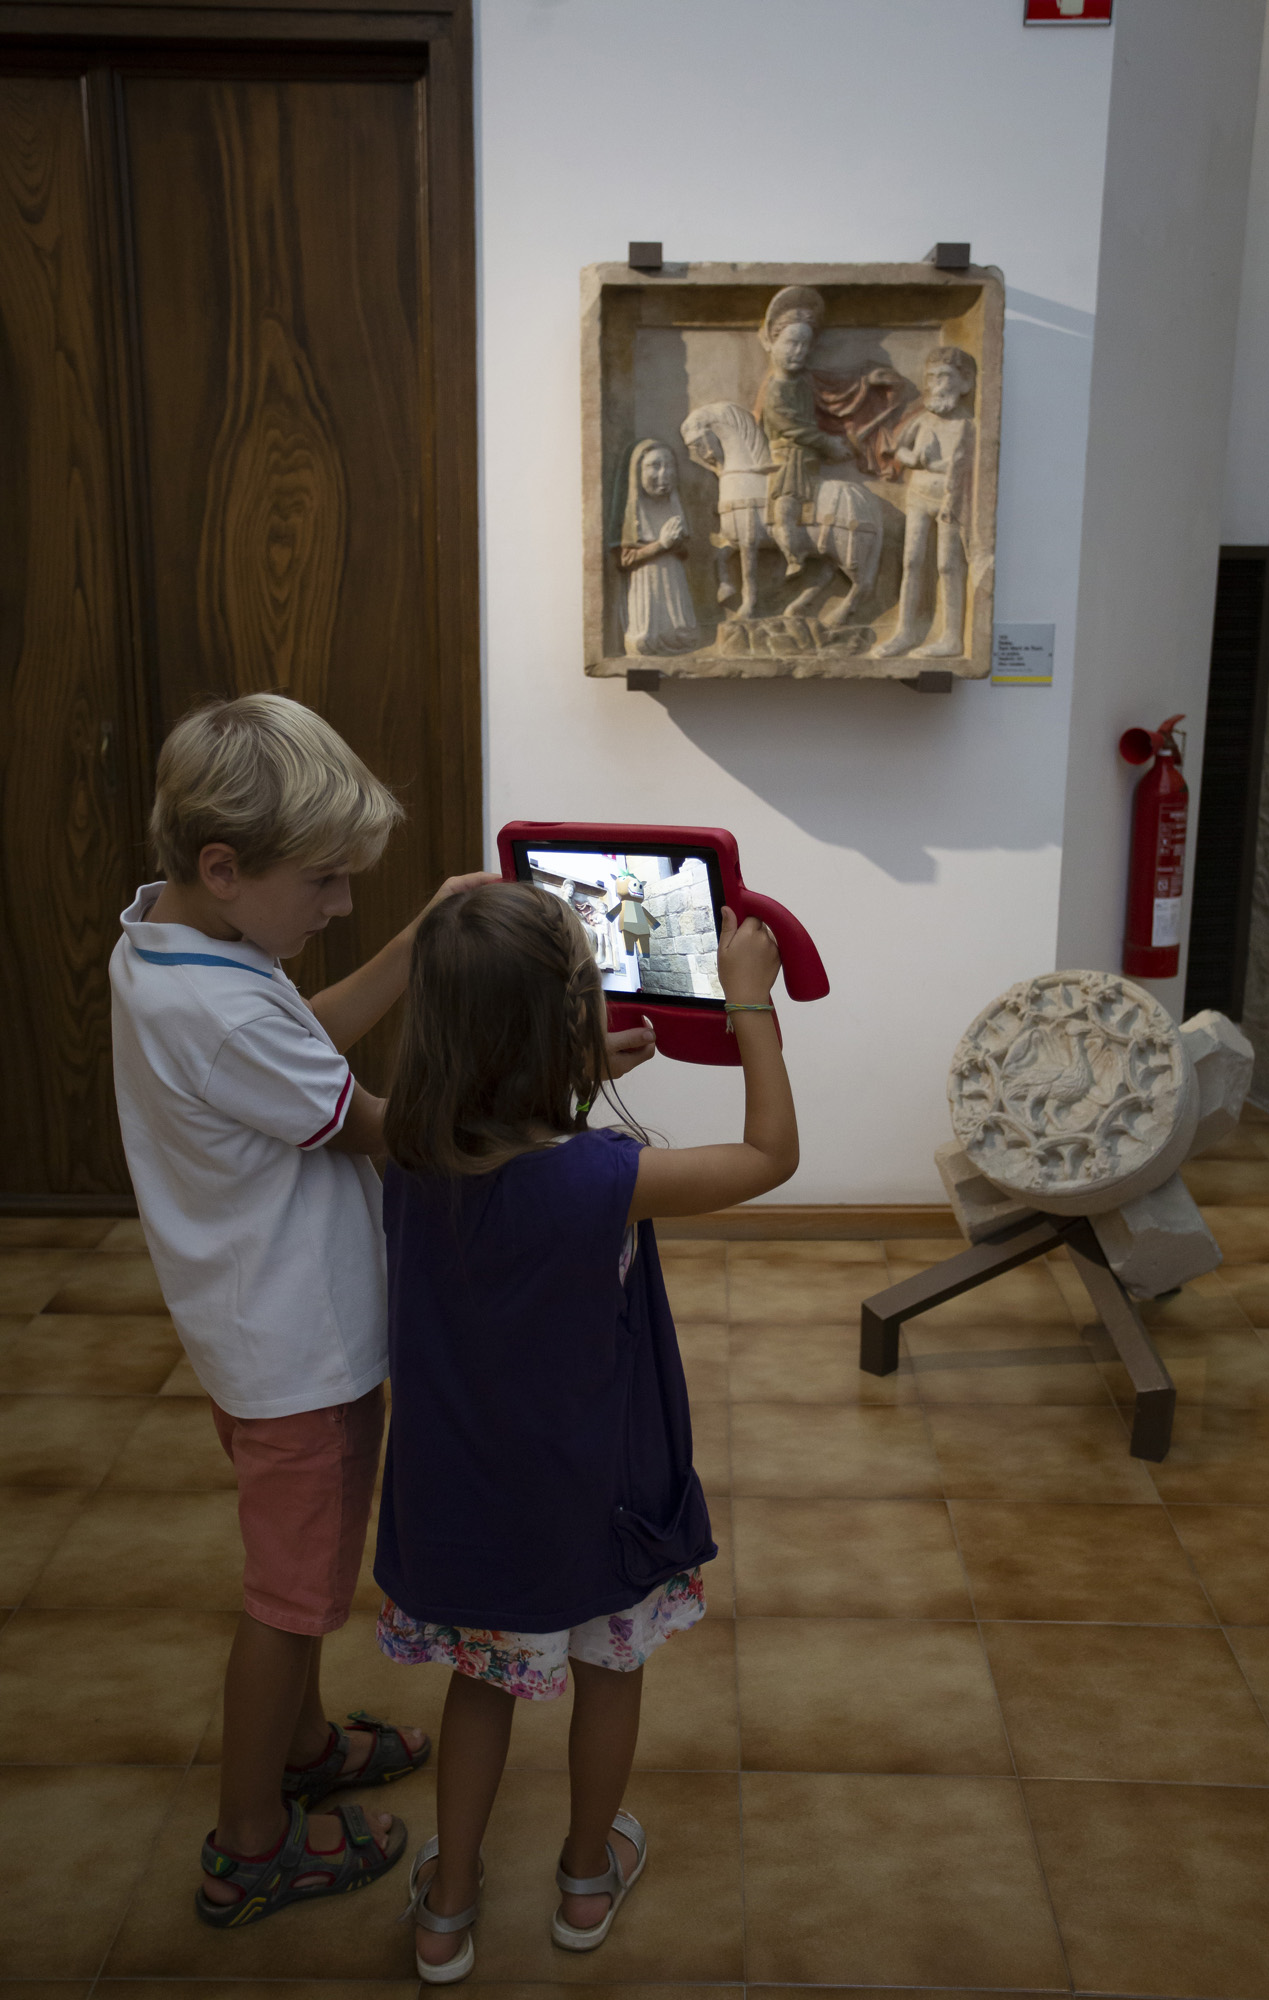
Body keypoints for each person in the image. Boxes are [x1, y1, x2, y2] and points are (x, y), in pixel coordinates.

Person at [109, 691, 662, 1929]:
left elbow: (295, 1041)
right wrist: (557, 1069)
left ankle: (302, 1746)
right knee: (292, 1595)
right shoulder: (220, 1009)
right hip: (298, 1354)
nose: (343, 904)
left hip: (247, 1329)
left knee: (293, 1573)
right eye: (324, 881)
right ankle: (250, 1841)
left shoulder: (168, 945)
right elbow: (389, 1131)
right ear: (224, 867)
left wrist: (418, 943)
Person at [372, 882, 798, 1981]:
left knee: (483, 1685)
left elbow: (493, 1133)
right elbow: (768, 1155)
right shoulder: (608, 1179)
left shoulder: (406, 1150)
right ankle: (582, 1878)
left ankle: (447, 1909)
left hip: (466, 1502)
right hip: (594, 1499)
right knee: (610, 1672)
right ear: (570, 1018)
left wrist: (565, 1071)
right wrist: (749, 1003)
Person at [871, 345, 976, 660]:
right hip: (918, 497)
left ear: (965, 383)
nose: (936, 385)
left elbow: (968, 464)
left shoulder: (967, 425)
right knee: (912, 562)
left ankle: (952, 638)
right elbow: (898, 449)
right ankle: (905, 632)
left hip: (950, 499)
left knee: (948, 565)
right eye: (931, 378)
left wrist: (940, 465)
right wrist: (914, 458)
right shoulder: (923, 420)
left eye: (944, 377)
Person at [754, 286, 854, 579]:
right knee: (784, 508)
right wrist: (827, 443)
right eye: (791, 343)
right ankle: (793, 555)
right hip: (787, 462)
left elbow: (832, 392)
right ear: (772, 342)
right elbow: (791, 427)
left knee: (788, 507)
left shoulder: (803, 382)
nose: (799, 352)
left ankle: (801, 554)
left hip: (804, 462)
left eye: (805, 345)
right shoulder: (775, 389)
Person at [609, 438, 701, 655]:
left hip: (673, 580)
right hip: (645, 582)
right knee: (643, 643)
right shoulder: (632, 511)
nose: (664, 474)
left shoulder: (673, 504)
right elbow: (625, 559)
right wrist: (661, 544)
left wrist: (675, 544)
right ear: (637, 471)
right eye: (655, 466)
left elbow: (683, 552)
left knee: (687, 637)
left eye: (669, 466)